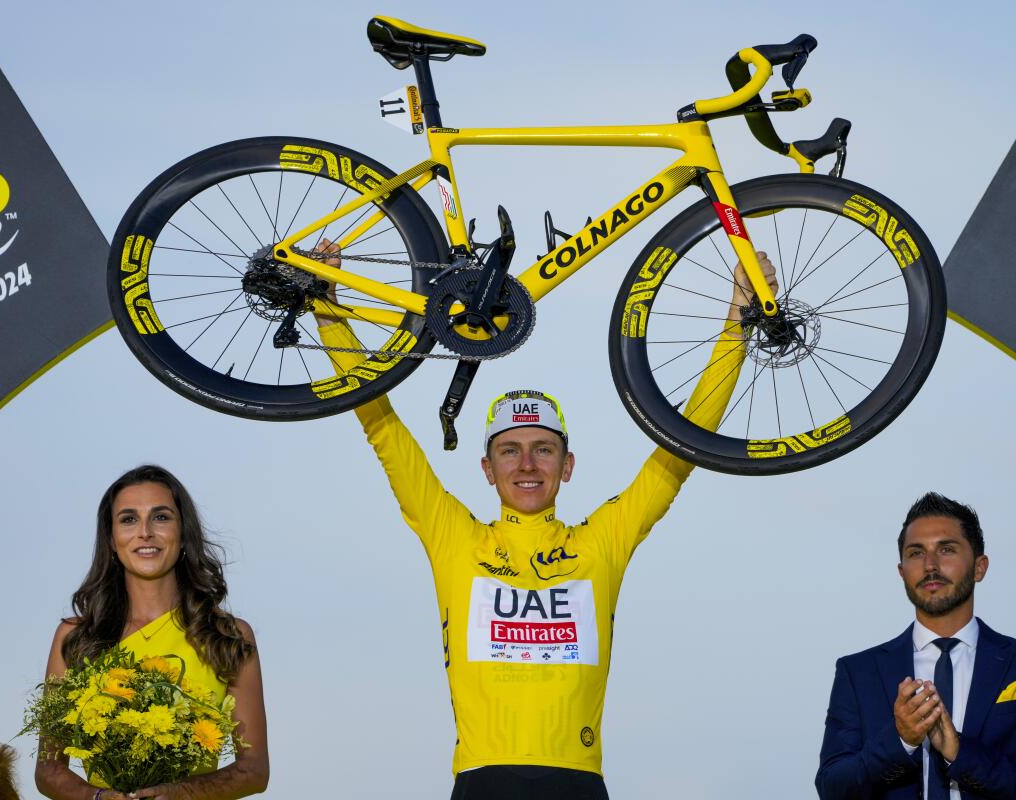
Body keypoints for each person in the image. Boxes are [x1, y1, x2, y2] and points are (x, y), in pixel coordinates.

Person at [314, 240, 773, 798]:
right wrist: (327, 308)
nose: (527, 464)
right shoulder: (454, 535)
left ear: (567, 465)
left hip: (578, 781)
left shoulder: (603, 541)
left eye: (543, 449)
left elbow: (682, 447)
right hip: (483, 779)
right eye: (510, 450)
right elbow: (382, 425)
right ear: (487, 468)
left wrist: (737, 324)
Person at [815, 492, 1016, 799]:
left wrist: (960, 753)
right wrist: (901, 741)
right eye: (915, 553)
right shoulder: (857, 672)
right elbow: (833, 788)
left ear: (980, 567)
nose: (930, 566)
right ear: (901, 572)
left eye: (946, 549)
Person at [36, 466, 269, 800]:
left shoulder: (227, 636)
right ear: (111, 540)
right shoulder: (75, 637)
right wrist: (98, 798)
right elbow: (48, 770)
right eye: (128, 519)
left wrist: (182, 792)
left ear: (183, 533)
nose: (145, 532)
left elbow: (254, 770)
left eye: (160, 517)